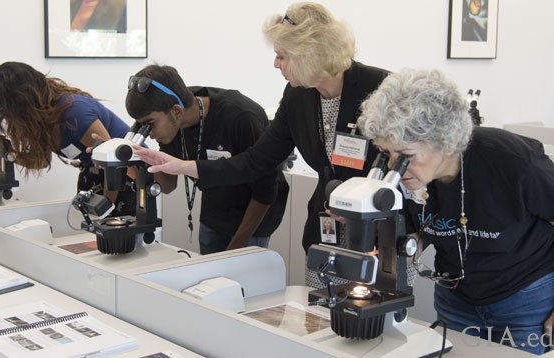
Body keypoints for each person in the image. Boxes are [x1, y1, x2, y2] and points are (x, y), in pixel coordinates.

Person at [132, 3, 389, 278]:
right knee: (321, 311)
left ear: (308, 54)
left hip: (380, 226)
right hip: (326, 226)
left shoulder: (380, 87)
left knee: (372, 315)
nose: (275, 63)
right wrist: (182, 167)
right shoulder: (297, 96)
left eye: (281, 56)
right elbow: (256, 161)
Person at [357, 68, 554, 354]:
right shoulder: (406, 176)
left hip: (524, 302)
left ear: (447, 140)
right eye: (386, 154)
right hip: (456, 299)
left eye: (405, 157)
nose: (393, 168)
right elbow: (418, 233)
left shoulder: (513, 161)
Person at [125, 64, 288, 254]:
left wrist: (238, 244)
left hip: (254, 213)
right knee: (212, 277)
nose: (149, 133)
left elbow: (266, 191)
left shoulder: (240, 117)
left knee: (242, 277)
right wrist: (130, 164)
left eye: (149, 125)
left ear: (177, 112)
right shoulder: (171, 124)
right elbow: (168, 185)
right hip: (215, 210)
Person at [0, 61, 135, 216]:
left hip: (125, 175)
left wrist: (107, 206)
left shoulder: (75, 113)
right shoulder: (42, 119)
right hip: (96, 173)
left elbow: (115, 163)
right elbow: (41, 161)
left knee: (117, 234)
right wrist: (11, 155)